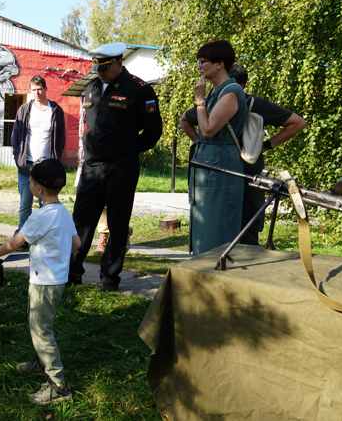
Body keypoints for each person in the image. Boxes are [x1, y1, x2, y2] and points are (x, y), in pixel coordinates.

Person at [0, 158, 79, 405]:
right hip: (57, 282)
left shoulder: (40, 217)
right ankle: (43, 364)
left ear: (38, 189)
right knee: (43, 324)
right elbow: (76, 245)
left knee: (41, 331)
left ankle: (59, 386)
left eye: (30, 182)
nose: (28, 185)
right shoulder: (63, 212)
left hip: (43, 283)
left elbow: (14, 244)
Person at [69, 42, 162, 292]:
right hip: (91, 168)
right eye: (97, 67)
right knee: (80, 223)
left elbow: (153, 131)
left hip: (120, 168)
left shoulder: (139, 90)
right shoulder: (92, 87)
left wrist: (127, 149)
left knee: (118, 224)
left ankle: (109, 279)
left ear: (119, 63)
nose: (99, 72)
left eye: (105, 68)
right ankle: (72, 274)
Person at [180, 63, 306, 245]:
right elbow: (298, 122)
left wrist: (205, 147)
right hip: (247, 174)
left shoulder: (231, 103)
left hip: (235, 176)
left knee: (228, 233)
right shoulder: (252, 103)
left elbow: (185, 120)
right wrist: (266, 146)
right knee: (242, 236)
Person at [187, 40, 248, 255]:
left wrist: (200, 100)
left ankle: (214, 275)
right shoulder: (217, 91)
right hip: (211, 162)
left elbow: (209, 130)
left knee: (217, 229)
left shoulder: (230, 91)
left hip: (222, 165)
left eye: (203, 62)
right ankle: (202, 270)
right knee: (204, 223)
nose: (199, 67)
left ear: (220, 63)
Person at [11, 75, 66, 237]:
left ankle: (44, 236)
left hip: (47, 166)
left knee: (47, 204)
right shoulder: (24, 110)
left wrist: (56, 158)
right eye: (34, 90)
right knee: (25, 205)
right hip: (26, 164)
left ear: (45, 89)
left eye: (40, 89)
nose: (37, 92)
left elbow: (61, 137)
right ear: (30, 91)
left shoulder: (55, 110)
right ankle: (23, 237)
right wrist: (18, 158)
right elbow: (15, 136)